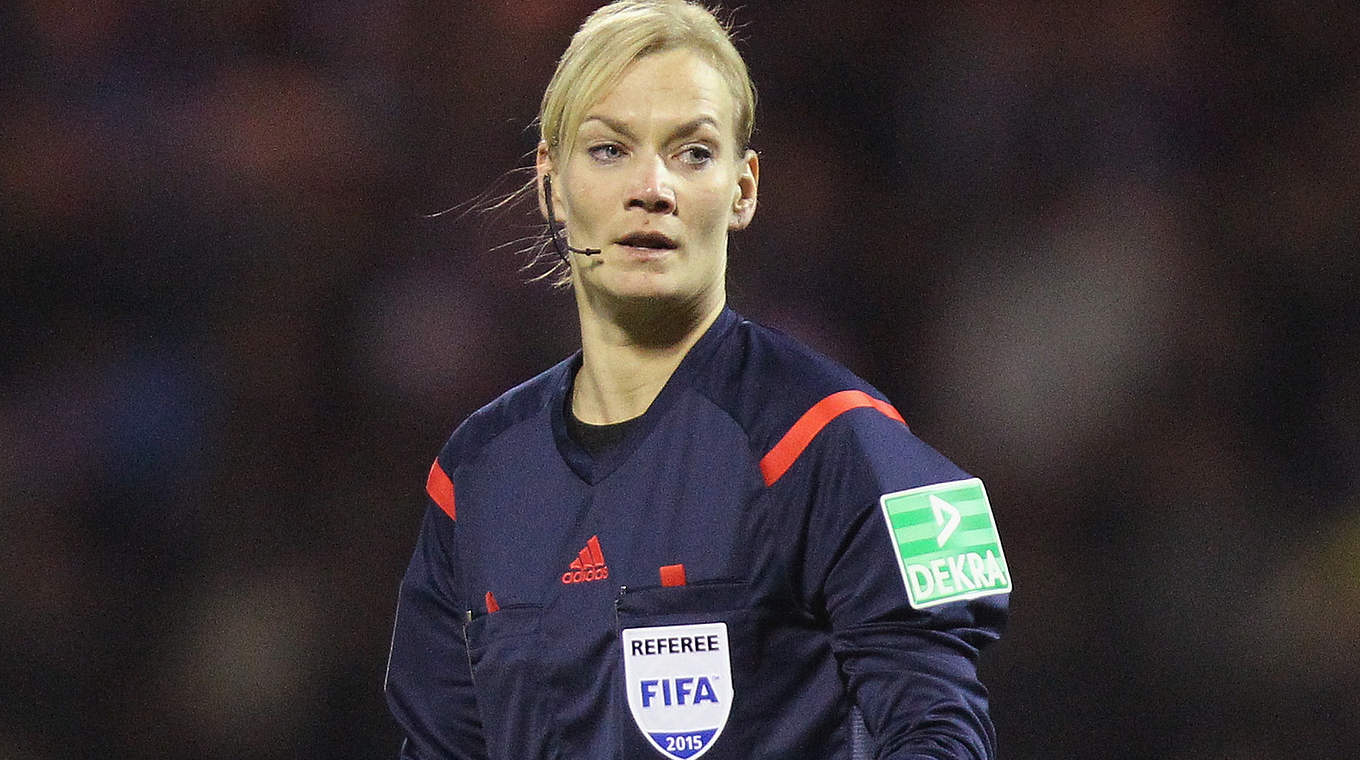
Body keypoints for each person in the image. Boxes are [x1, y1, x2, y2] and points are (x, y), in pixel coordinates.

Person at [384, 2, 1010, 758]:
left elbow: (938, 731)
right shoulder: (476, 472)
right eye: (609, 150)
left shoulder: (826, 440)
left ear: (744, 189)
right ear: (551, 184)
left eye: (692, 152)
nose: (652, 188)